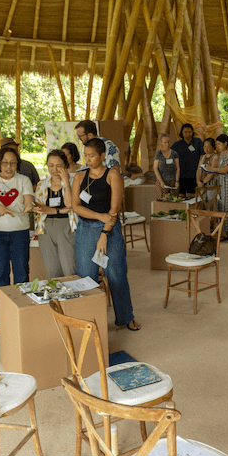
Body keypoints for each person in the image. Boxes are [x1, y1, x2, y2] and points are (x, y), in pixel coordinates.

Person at [71, 138, 140, 331]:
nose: (88, 159)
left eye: (92, 156)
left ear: (102, 156)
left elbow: (114, 210)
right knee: (86, 277)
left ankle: (126, 317)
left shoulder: (113, 175)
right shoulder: (79, 176)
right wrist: (99, 216)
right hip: (85, 229)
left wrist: (104, 233)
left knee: (116, 275)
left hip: (109, 230)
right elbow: (76, 206)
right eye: (85, 155)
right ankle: (90, 320)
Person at [0, 146, 35, 287]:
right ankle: (3, 302)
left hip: (19, 232)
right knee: (0, 274)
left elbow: (29, 200)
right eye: (5, 163)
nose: (9, 167)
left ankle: (20, 301)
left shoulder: (24, 180)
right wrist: (0, 208)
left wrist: (30, 206)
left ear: (18, 164)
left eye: (13, 163)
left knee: (22, 273)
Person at [33, 149, 77, 279]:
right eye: (51, 165)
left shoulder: (74, 181)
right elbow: (38, 207)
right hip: (45, 227)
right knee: (52, 269)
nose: (54, 169)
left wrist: (66, 183)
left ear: (66, 165)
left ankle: (72, 291)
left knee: (69, 267)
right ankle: (58, 292)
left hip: (67, 226)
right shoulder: (42, 184)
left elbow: (70, 205)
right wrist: (59, 211)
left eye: (59, 166)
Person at [205, 134, 228, 240]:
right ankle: (225, 231)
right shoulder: (222, 154)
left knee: (226, 208)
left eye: (219, 144)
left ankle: (225, 232)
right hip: (222, 183)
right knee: (221, 206)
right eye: (217, 144)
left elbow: (225, 170)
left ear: (225, 143)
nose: (218, 146)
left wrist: (212, 169)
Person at [171, 123, 204, 196]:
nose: (187, 134)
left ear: (192, 132)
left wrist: (200, 167)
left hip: (194, 174)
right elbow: (170, 155)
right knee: (181, 195)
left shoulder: (198, 142)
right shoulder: (177, 144)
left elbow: (202, 155)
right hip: (181, 174)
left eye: (189, 132)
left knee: (192, 196)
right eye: (185, 132)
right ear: (182, 133)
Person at [153, 134, 180, 200]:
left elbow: (178, 168)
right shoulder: (158, 153)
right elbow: (155, 168)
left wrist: (177, 181)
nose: (167, 144)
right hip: (162, 181)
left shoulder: (174, 153)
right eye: (165, 142)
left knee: (174, 200)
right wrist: (161, 182)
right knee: (162, 199)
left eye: (168, 142)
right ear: (161, 142)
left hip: (173, 181)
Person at [197, 137, 219, 204]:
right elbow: (198, 170)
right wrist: (198, 181)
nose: (206, 148)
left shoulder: (215, 157)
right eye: (205, 146)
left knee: (211, 203)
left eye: (208, 146)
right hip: (201, 184)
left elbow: (212, 173)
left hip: (211, 184)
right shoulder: (202, 157)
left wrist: (203, 182)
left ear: (213, 147)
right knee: (201, 203)